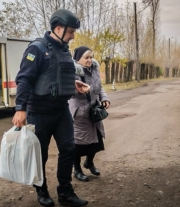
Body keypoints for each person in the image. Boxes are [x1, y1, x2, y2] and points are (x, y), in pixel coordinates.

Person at [12, 9, 89, 207]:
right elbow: (24, 79)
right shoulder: (36, 49)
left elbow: (54, 74)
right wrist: (20, 108)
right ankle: (42, 190)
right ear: (58, 28)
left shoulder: (63, 49)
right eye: (71, 32)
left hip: (61, 109)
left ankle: (65, 191)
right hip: (39, 112)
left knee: (69, 149)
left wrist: (73, 84)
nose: (73, 36)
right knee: (41, 155)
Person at [70, 46, 110, 182]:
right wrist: (79, 90)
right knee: (78, 143)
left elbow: (99, 87)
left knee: (96, 139)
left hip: (94, 110)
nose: (89, 60)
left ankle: (89, 162)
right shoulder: (72, 71)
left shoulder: (94, 69)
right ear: (78, 59)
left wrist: (104, 98)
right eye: (86, 57)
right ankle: (77, 169)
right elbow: (69, 91)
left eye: (91, 57)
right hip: (79, 112)